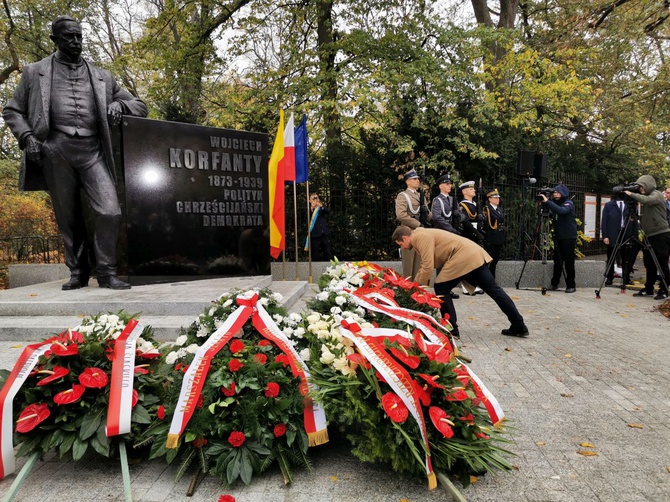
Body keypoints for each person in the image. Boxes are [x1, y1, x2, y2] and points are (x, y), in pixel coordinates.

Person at [2, 15, 148, 290]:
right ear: (55, 40)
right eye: (69, 36)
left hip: (93, 151)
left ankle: (106, 272)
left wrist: (120, 104)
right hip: (56, 150)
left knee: (109, 211)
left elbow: (139, 105)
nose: (76, 41)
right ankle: (77, 272)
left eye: (79, 36)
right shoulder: (35, 72)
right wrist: (27, 136)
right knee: (68, 217)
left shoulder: (102, 75)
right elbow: (12, 110)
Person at [392, 225, 529, 338]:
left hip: (463, 256)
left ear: (404, 238)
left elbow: (427, 266)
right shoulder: (422, 234)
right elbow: (427, 266)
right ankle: (519, 325)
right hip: (474, 254)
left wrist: (415, 289)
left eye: (401, 244)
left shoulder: (418, 237)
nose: (403, 248)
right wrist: (415, 284)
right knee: (495, 291)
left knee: (441, 288)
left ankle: (451, 329)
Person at [625, 175, 670, 300]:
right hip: (648, 235)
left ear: (648, 185)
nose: (640, 189)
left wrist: (630, 193)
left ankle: (664, 289)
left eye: (641, 186)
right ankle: (648, 288)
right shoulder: (646, 196)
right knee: (649, 263)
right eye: (638, 187)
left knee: (661, 263)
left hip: (660, 234)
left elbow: (647, 200)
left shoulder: (656, 195)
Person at [539, 184, 577, 293]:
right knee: (557, 261)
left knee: (569, 262)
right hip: (558, 236)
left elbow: (561, 211)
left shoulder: (568, 203)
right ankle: (554, 283)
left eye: (557, 192)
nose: (555, 194)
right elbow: (552, 213)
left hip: (568, 237)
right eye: (554, 192)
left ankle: (571, 285)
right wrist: (544, 207)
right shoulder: (555, 204)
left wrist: (548, 202)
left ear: (563, 193)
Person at [430, 173, 463, 299]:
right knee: (442, 263)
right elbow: (437, 217)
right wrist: (451, 229)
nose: (449, 186)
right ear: (440, 186)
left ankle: (447, 288)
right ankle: (440, 289)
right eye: (447, 184)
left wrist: (459, 216)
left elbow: (459, 215)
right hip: (442, 234)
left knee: (450, 262)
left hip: (451, 234)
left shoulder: (452, 200)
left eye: (450, 184)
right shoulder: (437, 200)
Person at [395, 169, 431, 280]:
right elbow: (401, 215)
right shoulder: (403, 196)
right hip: (408, 231)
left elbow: (428, 214)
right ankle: (407, 288)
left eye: (417, 179)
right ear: (407, 182)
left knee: (419, 262)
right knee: (409, 262)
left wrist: (428, 215)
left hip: (420, 231)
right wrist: (418, 224)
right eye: (414, 179)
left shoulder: (421, 196)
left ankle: (417, 287)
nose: (417, 181)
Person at [600, 194, 637, 285]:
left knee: (626, 257)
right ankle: (609, 277)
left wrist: (634, 235)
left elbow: (634, 221)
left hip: (626, 233)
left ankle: (626, 277)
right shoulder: (609, 205)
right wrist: (605, 236)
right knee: (611, 257)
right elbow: (604, 221)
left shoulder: (629, 205)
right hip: (613, 234)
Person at [458, 180, 484, 294]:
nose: (474, 190)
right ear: (464, 191)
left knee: (474, 260)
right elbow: (466, 223)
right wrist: (476, 233)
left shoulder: (475, 204)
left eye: (474, 188)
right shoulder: (462, 205)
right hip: (468, 234)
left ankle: (473, 284)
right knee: (466, 260)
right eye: (470, 189)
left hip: (475, 234)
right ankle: (466, 285)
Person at [482, 188, 505, 278]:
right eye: (495, 198)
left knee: (495, 261)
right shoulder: (487, 209)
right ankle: (488, 280)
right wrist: (487, 239)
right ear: (489, 199)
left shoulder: (498, 209)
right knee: (489, 261)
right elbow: (487, 225)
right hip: (491, 238)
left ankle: (492, 279)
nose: (497, 199)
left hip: (498, 238)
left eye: (498, 198)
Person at [305, 193, 332, 261]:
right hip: (315, 235)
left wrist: (321, 206)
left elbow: (327, 211)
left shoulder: (321, 208)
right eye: (313, 198)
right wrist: (312, 208)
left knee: (327, 253)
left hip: (324, 234)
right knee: (315, 254)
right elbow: (306, 217)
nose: (316, 200)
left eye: (317, 198)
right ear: (309, 200)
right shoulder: (309, 209)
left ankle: (328, 269)